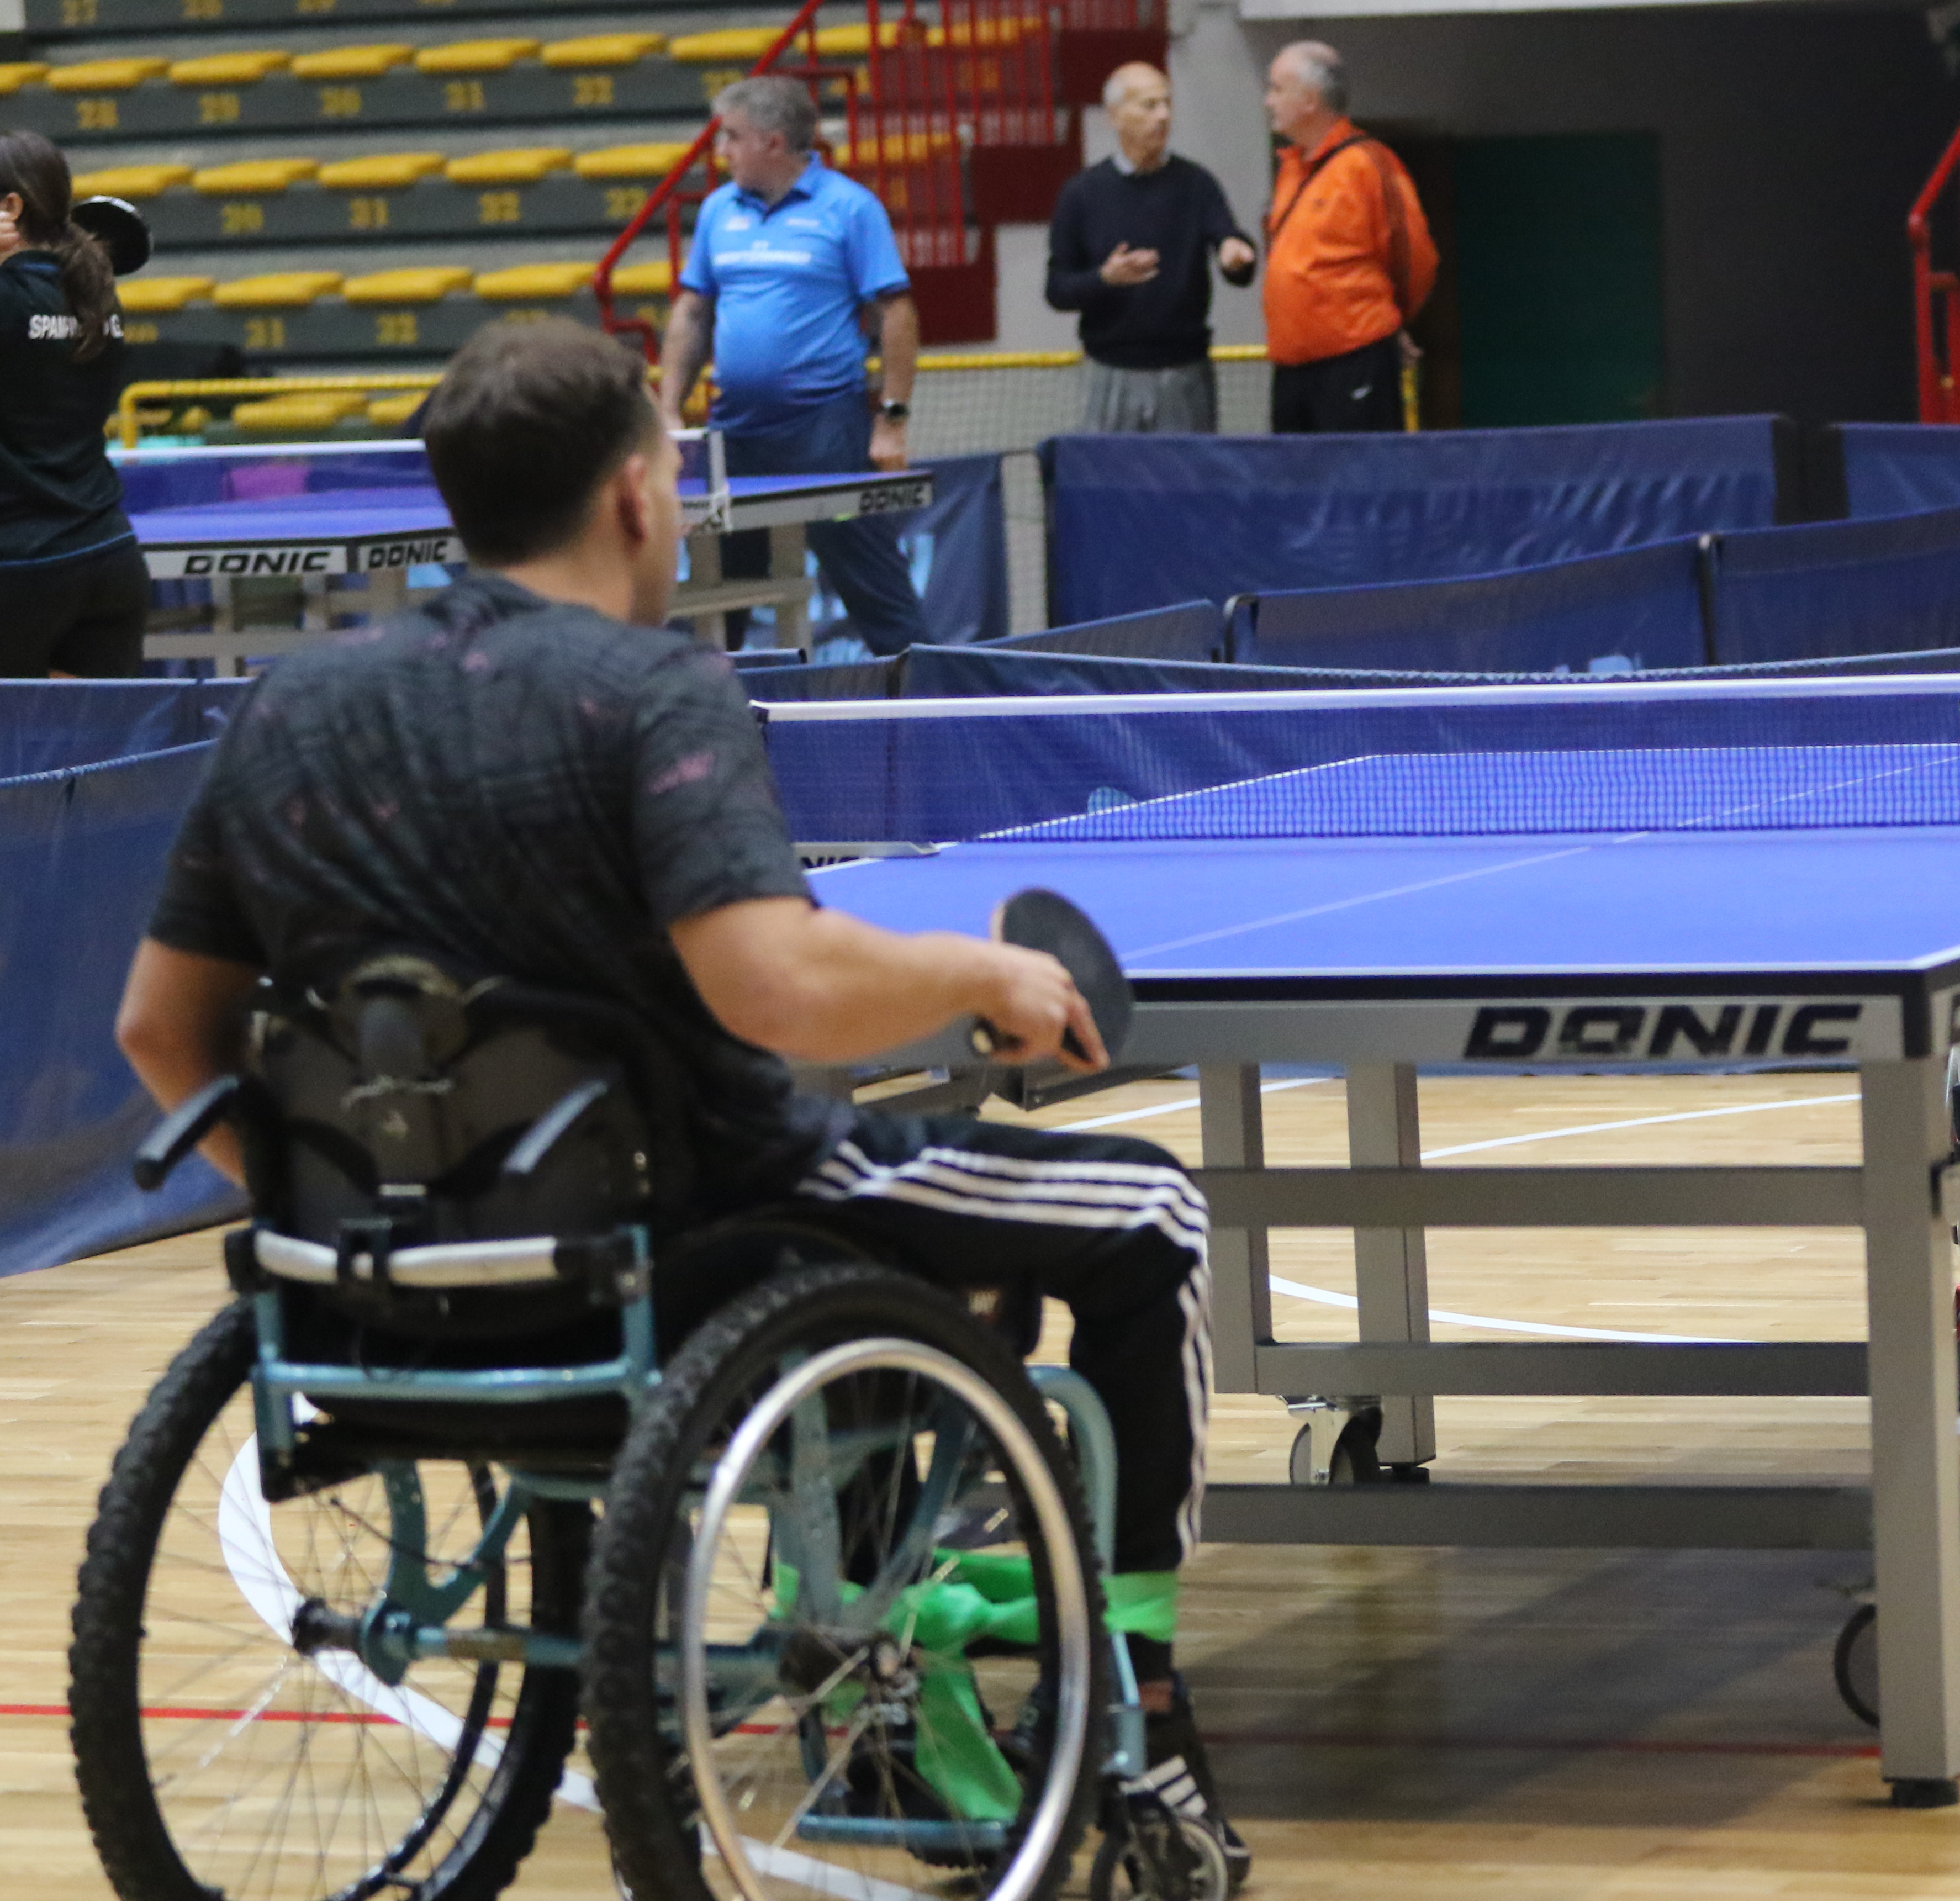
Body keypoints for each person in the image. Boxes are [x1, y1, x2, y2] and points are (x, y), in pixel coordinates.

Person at [109, 318, 1246, 1882]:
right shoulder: (652, 690)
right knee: (1145, 1208)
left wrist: (338, 1203)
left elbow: (159, 1031)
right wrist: (978, 979)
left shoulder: (290, 709)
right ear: (640, 496)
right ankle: (1146, 1695)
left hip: (384, 1283)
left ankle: (893, 1654)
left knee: (916, 1254)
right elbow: (771, 984)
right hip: (698, 1225)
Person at [656, 76, 925, 657]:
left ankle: (933, 705)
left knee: (874, 585)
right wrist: (668, 407)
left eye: (732, 137)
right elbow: (693, 312)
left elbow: (896, 313)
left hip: (825, 427)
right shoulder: (717, 211)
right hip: (736, 431)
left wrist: (892, 418)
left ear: (773, 142)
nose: (722, 151)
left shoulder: (850, 208)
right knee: (719, 587)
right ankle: (709, 714)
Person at [0, 128, 145, 679]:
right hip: (107, 554)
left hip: (18, 565)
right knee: (100, 752)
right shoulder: (99, 297)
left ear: (10, 206)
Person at [1047, 62, 1258, 433]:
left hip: (1184, 371)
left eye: (1167, 104)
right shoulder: (1081, 194)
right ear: (1114, 117)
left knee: (1187, 486)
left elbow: (1229, 242)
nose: (1163, 116)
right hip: (1109, 370)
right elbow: (1058, 290)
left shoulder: (1196, 183)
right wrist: (1104, 279)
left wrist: (1234, 253)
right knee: (1110, 485)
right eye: (1149, 106)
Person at [1260, 41, 1437, 434]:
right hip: (1292, 366)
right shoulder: (1291, 170)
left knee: (1358, 483)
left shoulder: (1367, 165)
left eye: (1276, 89)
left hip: (1353, 359)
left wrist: (1389, 323)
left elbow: (1415, 257)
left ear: (1309, 99)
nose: (1267, 101)